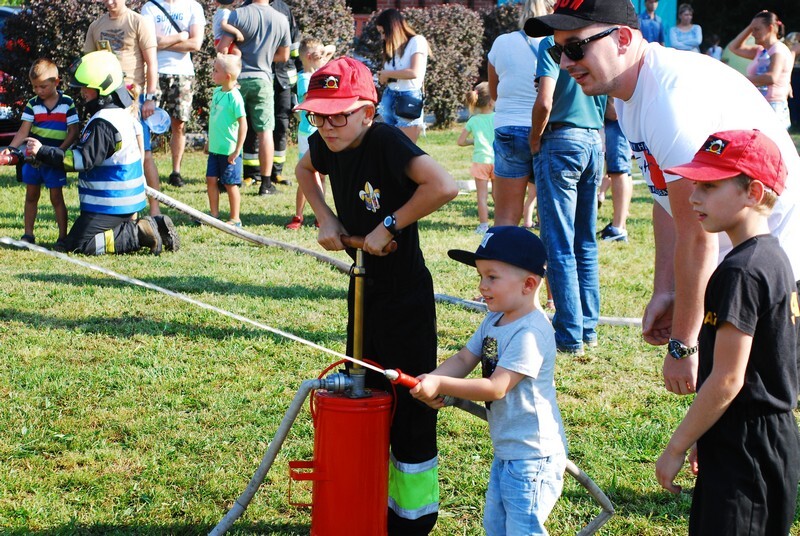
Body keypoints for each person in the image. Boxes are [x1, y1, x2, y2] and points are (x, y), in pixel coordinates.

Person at [524, 0, 800, 395]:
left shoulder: (668, 98)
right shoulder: (632, 92)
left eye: (575, 47)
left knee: (753, 406)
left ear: (622, 39)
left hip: (769, 263)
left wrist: (684, 344)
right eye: (557, 50)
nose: (565, 62)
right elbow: (664, 197)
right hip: (735, 259)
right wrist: (665, 290)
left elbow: (697, 235)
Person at [294, 57, 458, 535]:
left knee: (410, 405)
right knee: (362, 392)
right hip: (362, 285)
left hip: (405, 296)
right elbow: (304, 170)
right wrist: (326, 217)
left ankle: (412, 520)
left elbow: (443, 186)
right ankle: (363, 501)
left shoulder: (386, 141)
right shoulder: (326, 144)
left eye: (339, 115)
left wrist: (390, 224)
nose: (327, 126)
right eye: (318, 115)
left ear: (368, 112)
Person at [655, 129, 800, 534]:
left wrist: (676, 446)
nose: (693, 197)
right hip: (761, 439)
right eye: (695, 184)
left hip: (746, 449)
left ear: (753, 192)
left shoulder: (741, 272)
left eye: (709, 186)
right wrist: (708, 432)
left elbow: (727, 379)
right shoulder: (774, 258)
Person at [411, 225, 567, 536]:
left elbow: (496, 387)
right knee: (496, 526)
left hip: (532, 457)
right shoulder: (494, 319)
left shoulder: (530, 333)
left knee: (522, 530)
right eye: (481, 276)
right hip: (508, 450)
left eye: (492, 277)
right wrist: (432, 378)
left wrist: (440, 385)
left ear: (529, 284)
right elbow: (463, 359)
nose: (482, 286)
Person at [24, 51, 179, 256]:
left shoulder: (103, 123)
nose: (82, 92)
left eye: (86, 87)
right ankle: (154, 227)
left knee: (79, 244)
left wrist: (42, 151)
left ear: (102, 88)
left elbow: (81, 160)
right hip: (121, 201)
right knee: (76, 239)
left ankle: (137, 234)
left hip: (112, 203)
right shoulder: (119, 114)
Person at [529, 21, 606, 356]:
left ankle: (569, 335)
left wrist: (534, 139)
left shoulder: (551, 44)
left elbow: (545, 101)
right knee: (585, 243)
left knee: (559, 243)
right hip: (594, 142)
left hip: (560, 140)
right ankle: (588, 329)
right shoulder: (596, 45)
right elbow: (610, 105)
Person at [85, 0, 163, 216]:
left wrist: (150, 97)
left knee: (144, 154)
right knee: (114, 156)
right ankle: (124, 209)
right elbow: (89, 62)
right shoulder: (96, 26)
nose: (110, 3)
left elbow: (152, 63)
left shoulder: (138, 22)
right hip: (106, 101)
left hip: (134, 99)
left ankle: (154, 208)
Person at [1, 59, 79, 249]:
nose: (38, 91)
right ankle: (28, 234)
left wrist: (59, 152)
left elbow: (73, 131)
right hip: (33, 160)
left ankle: (62, 237)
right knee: (31, 196)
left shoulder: (67, 103)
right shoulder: (32, 104)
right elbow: (23, 131)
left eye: (43, 86)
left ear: (56, 82)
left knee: (56, 198)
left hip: (54, 160)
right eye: (35, 87)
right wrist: (11, 148)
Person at [487, 0, 551, 227]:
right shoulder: (558, 43)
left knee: (505, 216)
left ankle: (501, 251)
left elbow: (494, 93)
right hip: (546, 128)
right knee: (549, 215)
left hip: (509, 127)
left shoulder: (502, 42)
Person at [216, 0, 290, 197]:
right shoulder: (281, 19)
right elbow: (284, 56)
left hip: (236, 79)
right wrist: (264, 57)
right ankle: (266, 184)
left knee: (230, 128)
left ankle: (226, 179)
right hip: (263, 79)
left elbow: (223, 48)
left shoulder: (238, 14)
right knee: (265, 132)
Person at [141, 0, 206, 188]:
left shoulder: (193, 6)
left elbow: (196, 43)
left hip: (182, 73)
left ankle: (176, 172)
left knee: (179, 122)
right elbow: (148, 41)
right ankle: (146, 168)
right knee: (146, 121)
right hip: (154, 71)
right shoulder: (150, 7)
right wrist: (180, 36)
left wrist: (161, 42)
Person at [284, 37, 334, 231]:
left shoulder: (316, 74)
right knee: (307, 175)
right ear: (309, 57)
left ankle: (321, 215)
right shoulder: (306, 78)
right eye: (319, 55)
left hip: (320, 131)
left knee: (321, 176)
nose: (323, 58)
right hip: (309, 133)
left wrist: (321, 54)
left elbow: (331, 47)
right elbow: (312, 100)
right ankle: (299, 215)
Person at [729, 11, 794, 130]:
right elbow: (734, 47)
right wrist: (751, 26)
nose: (753, 34)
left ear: (770, 28)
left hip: (773, 107)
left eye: (757, 29)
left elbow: (771, 77)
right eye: (752, 30)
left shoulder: (778, 49)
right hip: (761, 104)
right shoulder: (761, 51)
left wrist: (741, 80)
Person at [375, 8, 429, 144]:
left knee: (405, 147)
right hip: (389, 95)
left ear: (393, 28)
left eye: (384, 32)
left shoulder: (417, 41)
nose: (382, 37)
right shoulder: (391, 48)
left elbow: (414, 72)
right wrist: (383, 77)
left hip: (409, 97)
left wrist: (387, 74)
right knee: (385, 145)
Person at [205, 54, 246, 227]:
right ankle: (214, 214)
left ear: (227, 76)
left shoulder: (235, 97)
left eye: (216, 71)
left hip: (229, 151)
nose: (212, 73)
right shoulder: (216, 92)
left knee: (230, 184)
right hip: (215, 149)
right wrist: (209, 141)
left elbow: (243, 124)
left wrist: (237, 150)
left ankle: (235, 218)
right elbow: (214, 120)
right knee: (210, 179)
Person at [267, 0, 300, 188]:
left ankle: (277, 172)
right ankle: (252, 173)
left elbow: (294, 45)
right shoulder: (247, 8)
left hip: (284, 77)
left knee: (281, 123)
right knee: (256, 126)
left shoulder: (283, 8)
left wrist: (301, 70)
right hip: (262, 75)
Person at [457, 82, 495, 235]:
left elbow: (460, 141)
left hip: (480, 162)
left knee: (482, 196)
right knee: (498, 195)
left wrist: (473, 141)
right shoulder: (498, 118)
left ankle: (483, 225)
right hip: (497, 161)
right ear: (491, 101)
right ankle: (500, 222)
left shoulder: (473, 120)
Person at [597, 99, 632, 242]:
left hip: (616, 120)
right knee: (623, 172)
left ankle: (618, 228)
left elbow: (613, 113)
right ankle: (620, 224)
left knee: (618, 170)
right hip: (620, 120)